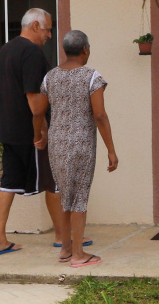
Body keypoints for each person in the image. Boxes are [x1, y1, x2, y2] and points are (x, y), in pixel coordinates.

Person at [0, 8, 90, 256]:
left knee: (8, 184)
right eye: (47, 29)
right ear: (34, 26)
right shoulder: (32, 53)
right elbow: (34, 98)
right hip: (29, 131)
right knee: (53, 181)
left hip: (7, 128)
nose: (49, 35)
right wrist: (42, 131)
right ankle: (61, 236)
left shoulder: (7, 49)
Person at [40, 30, 118, 268]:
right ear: (85, 49)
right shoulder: (91, 77)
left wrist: (40, 135)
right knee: (79, 198)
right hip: (82, 145)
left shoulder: (49, 77)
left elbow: (38, 110)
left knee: (66, 196)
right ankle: (78, 254)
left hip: (57, 144)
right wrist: (111, 150)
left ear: (65, 50)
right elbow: (100, 115)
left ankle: (65, 249)